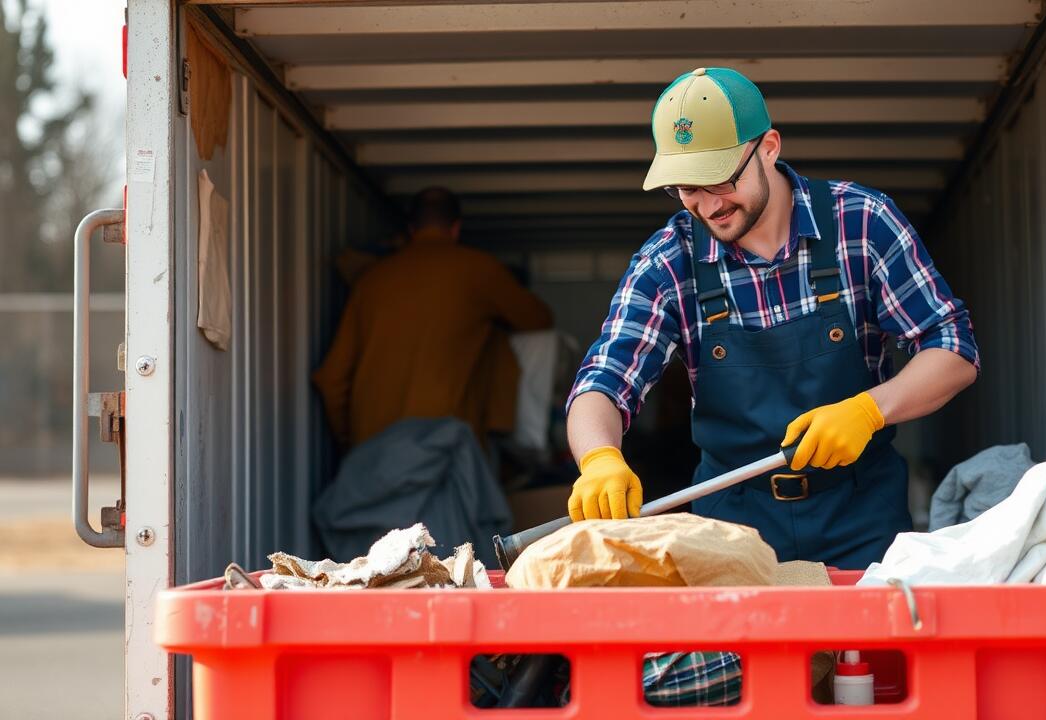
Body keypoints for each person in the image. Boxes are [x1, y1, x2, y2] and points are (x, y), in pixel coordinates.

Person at [564, 68, 979, 569]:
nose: (708, 205)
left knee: (869, 649)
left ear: (768, 147)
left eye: (720, 179)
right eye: (686, 189)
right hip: (730, 523)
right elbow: (604, 381)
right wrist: (599, 458)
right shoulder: (668, 262)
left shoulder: (862, 222)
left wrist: (869, 409)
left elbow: (953, 347)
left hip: (862, 513)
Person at [313, 187, 553, 452]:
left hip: (372, 452)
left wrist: (351, 441)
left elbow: (331, 378)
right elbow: (539, 319)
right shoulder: (478, 270)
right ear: (456, 228)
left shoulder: (371, 280)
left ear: (411, 229)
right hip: (444, 450)